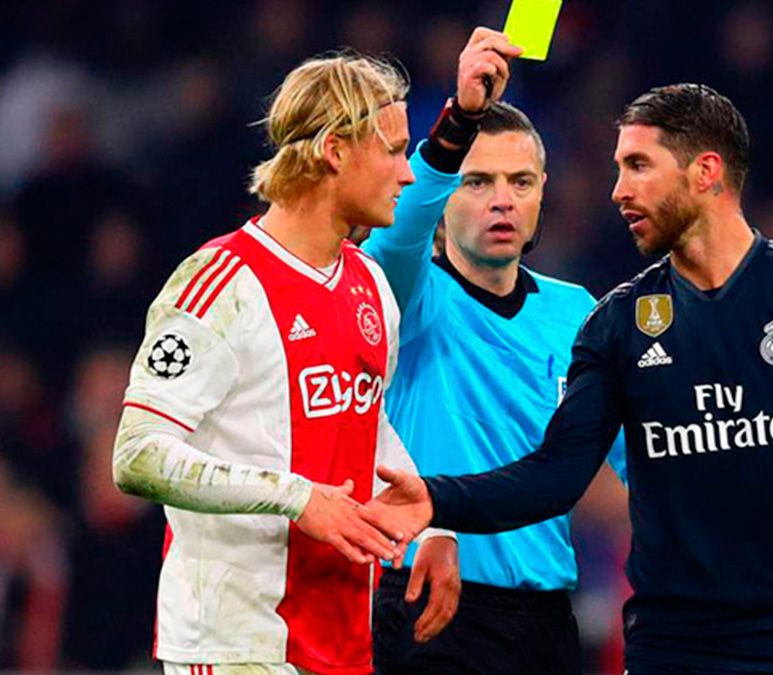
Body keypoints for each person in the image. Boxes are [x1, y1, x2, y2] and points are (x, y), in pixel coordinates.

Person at [362, 83, 773, 673]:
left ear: (705, 172)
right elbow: (557, 475)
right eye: (619, 168)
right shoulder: (616, 326)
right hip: (671, 653)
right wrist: (438, 500)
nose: (618, 190)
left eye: (638, 166)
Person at [110, 33, 516, 674]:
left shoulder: (368, 284)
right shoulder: (219, 282)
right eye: (390, 151)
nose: (407, 171)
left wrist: (431, 522)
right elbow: (135, 456)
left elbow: (364, 417)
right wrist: (297, 496)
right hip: (236, 643)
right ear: (334, 150)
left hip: (343, 641)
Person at [362, 90, 626, 671]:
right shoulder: (408, 298)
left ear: (542, 193)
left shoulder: (578, 313)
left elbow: (641, 463)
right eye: (477, 182)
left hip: (547, 620)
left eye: (520, 182)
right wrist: (455, 128)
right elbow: (394, 240)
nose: (502, 201)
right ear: (441, 198)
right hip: (427, 609)